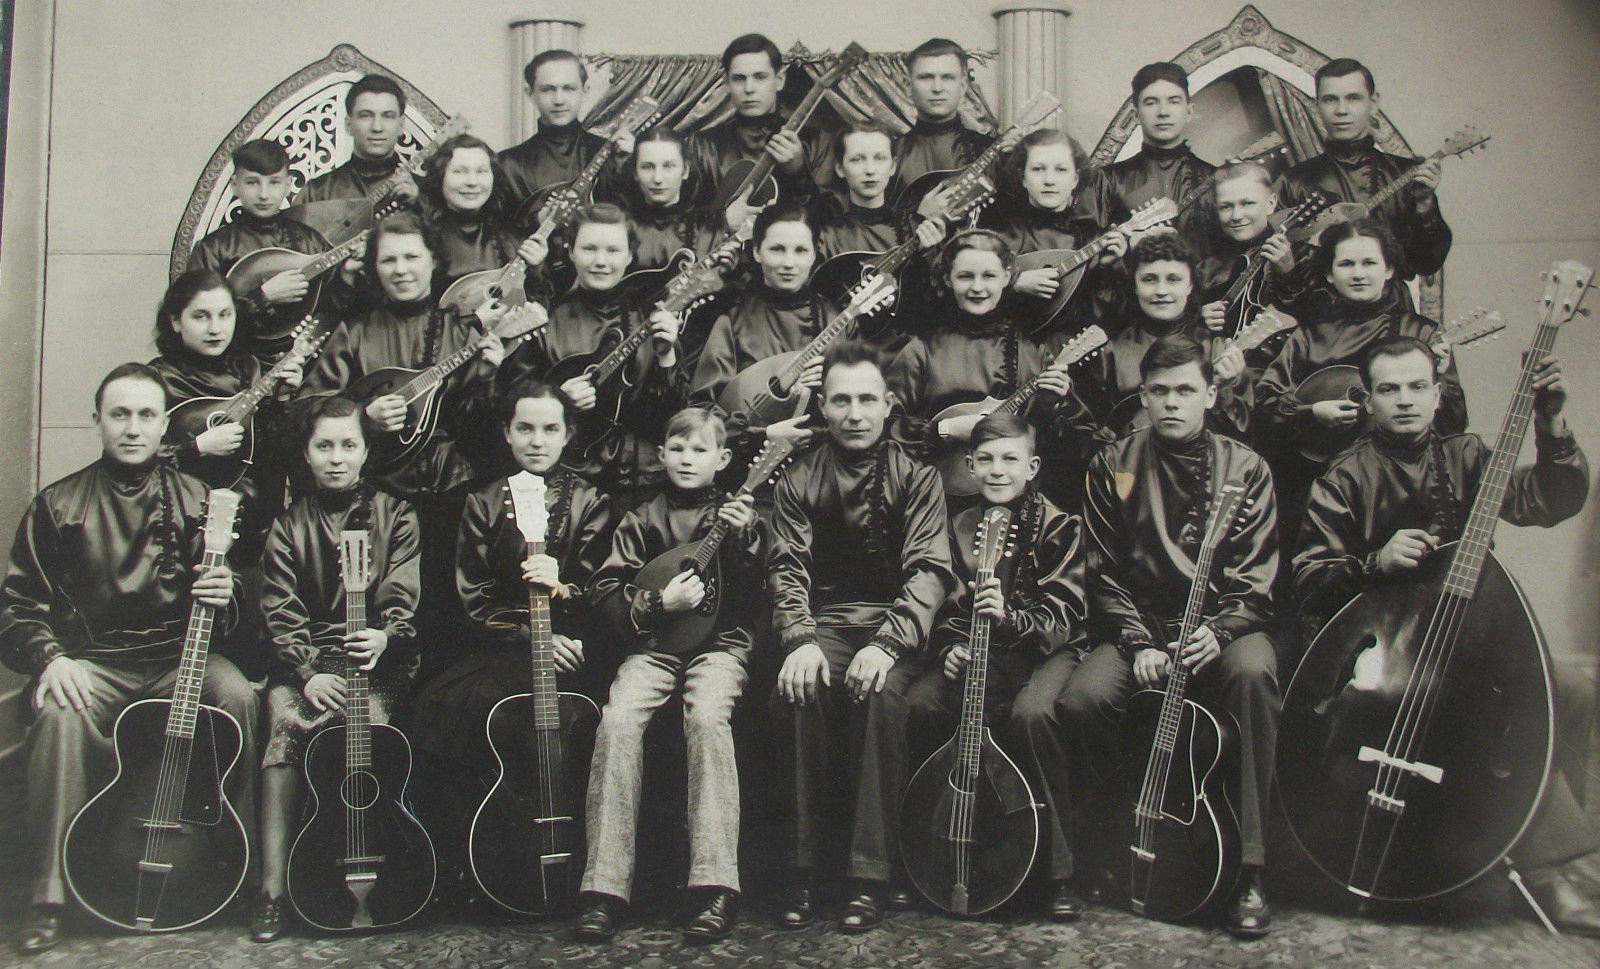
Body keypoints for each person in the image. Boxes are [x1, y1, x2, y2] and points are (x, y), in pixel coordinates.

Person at [0, 363, 253, 955]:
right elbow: (18, 606)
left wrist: (228, 594)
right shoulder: (58, 503)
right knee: (60, 715)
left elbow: (233, 609)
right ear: (98, 422)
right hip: (97, 663)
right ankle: (49, 896)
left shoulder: (200, 498)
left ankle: (230, 865)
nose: (133, 428)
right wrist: (50, 660)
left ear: (164, 423)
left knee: (237, 694)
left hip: (179, 659)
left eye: (146, 415)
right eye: (120, 414)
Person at [1063, 334, 1281, 937]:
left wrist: (1218, 631)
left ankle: (1251, 871)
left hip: (1224, 625)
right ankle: (1120, 841)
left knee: (1255, 674)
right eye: (1159, 391)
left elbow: (1258, 582)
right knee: (1083, 699)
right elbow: (1101, 572)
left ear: (1212, 393)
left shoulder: (1247, 468)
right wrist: (1139, 643)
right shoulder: (1115, 464)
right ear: (1143, 395)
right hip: (1143, 626)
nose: (1172, 403)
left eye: (1187, 390)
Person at [767, 341, 956, 934]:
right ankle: (802, 871)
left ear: (889, 404)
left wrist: (887, 644)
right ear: (822, 406)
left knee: (880, 698)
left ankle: (868, 877)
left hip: (894, 629)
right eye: (841, 400)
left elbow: (929, 569)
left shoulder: (919, 477)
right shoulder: (797, 476)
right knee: (795, 692)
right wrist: (799, 640)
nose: (854, 413)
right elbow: (787, 565)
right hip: (823, 624)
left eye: (866, 399)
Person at [407, 379, 614, 895]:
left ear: (568, 435)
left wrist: (562, 590)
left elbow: (601, 587)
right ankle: (476, 861)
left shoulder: (591, 500)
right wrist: (527, 634)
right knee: (450, 704)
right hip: (502, 645)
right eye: (525, 428)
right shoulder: (481, 501)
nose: (537, 441)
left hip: (574, 647)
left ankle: (573, 862)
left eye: (550, 429)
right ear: (506, 433)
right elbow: (472, 600)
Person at [577, 408, 768, 944]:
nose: (687, 459)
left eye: (700, 450)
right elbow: (606, 591)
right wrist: (660, 602)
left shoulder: (735, 518)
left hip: (720, 648)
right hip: (655, 646)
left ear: (724, 459)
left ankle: (713, 887)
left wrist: (745, 536)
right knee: (616, 720)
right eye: (677, 448)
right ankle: (603, 889)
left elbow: (755, 594)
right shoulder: (640, 517)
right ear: (661, 455)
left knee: (707, 717)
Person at [903, 414, 1090, 920]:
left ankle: (1060, 873)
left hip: (1046, 650)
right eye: (985, 459)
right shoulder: (958, 524)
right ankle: (925, 857)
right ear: (968, 466)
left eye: (1010, 459)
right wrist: (949, 648)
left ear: (1032, 467)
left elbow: (1064, 615)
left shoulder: (1060, 524)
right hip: (981, 650)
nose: (997, 470)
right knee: (919, 703)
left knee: (1032, 715)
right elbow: (944, 603)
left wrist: (1010, 620)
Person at [249, 395, 421, 942]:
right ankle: (273, 889)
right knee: (285, 724)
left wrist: (386, 633)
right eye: (324, 445)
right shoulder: (287, 525)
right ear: (306, 452)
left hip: (374, 656)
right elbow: (280, 609)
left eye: (349, 444)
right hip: (307, 664)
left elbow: (402, 590)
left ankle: (372, 866)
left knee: (365, 726)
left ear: (367, 450)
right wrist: (305, 674)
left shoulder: (398, 515)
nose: (337, 457)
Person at [1253, 220, 1466, 552]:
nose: (1358, 273)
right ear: (1328, 274)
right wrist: (1311, 412)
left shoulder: (1421, 333)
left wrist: (1442, 371)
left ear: (1390, 269)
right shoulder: (1310, 334)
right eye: (1346, 264)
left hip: (1399, 486)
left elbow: (1454, 422)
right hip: (1318, 484)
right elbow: (1263, 403)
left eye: (1369, 263)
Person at [497, 203, 686, 510]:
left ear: (629, 256)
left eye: (613, 251)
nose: (601, 261)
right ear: (570, 251)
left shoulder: (650, 318)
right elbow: (512, 400)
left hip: (644, 485)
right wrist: (559, 400)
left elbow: (674, 418)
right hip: (570, 488)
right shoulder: (545, 320)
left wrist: (667, 358)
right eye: (589, 249)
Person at [885, 229, 1079, 487]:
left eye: (989, 276)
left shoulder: (1032, 352)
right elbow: (887, 429)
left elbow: (1067, 448)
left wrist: (1052, 406)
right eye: (965, 276)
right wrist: (945, 431)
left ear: (1006, 277)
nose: (977, 287)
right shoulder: (921, 350)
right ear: (948, 279)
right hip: (939, 495)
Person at [148, 270, 303, 563]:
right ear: (175, 321)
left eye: (225, 315)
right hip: (179, 524)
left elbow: (274, 452)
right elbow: (134, 459)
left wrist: (283, 399)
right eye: (201, 316)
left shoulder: (250, 370)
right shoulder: (156, 379)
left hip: (251, 520)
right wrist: (196, 448)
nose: (215, 328)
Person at [1277, 58, 1451, 309]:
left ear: (1374, 103)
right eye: (1330, 100)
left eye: (1353, 98)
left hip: (1393, 318)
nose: (1341, 110)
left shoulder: (1405, 175)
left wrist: (1425, 205)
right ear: (1317, 106)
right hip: (1321, 324)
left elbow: (1426, 264)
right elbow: (1279, 275)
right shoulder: (1293, 181)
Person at [691, 203, 837, 463]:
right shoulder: (733, 322)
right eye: (777, 249)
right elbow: (702, 412)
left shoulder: (837, 320)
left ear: (815, 254)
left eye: (801, 250)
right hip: (749, 467)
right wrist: (762, 433)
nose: (789, 263)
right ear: (757, 252)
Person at [1073, 234, 1251, 447]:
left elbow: (1239, 439)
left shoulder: (1216, 348)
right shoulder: (1110, 350)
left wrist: (1225, 390)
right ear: (1135, 286)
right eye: (1149, 279)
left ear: (1190, 286)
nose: (1161, 291)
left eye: (1173, 279)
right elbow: (1090, 433)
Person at [188, 139, 335, 360]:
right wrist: (264, 297)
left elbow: (334, 307)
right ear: (235, 185)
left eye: (274, 182)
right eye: (252, 183)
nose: (264, 194)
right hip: (236, 364)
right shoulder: (214, 248)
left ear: (288, 184)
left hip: (305, 362)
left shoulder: (310, 242)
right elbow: (198, 316)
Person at [979, 128, 1124, 333]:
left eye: (1061, 170)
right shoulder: (997, 232)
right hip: (1006, 351)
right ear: (1022, 177)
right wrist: (1013, 283)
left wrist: (1108, 268)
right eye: (1038, 169)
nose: (1049, 180)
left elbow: (1107, 319)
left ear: (1075, 179)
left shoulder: (1091, 236)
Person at [1073, 62, 1215, 245]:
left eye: (1173, 101)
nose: (1163, 112)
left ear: (1189, 112)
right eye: (1151, 102)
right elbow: (1084, 252)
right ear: (1136, 115)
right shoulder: (1106, 181)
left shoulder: (1213, 179)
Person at [688, 33, 827, 209]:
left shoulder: (815, 141)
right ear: (727, 83)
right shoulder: (703, 145)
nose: (749, 89)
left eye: (760, 77)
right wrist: (724, 222)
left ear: (779, 81)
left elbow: (830, 221)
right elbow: (687, 222)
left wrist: (799, 173)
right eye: (739, 79)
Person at [498, 49, 617, 231]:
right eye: (548, 89)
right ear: (530, 93)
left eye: (568, 88)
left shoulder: (610, 154)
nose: (559, 100)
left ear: (585, 91)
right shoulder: (507, 165)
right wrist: (535, 222)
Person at [417, 133, 540, 290]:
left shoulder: (511, 238)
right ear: (440, 177)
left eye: (481, 171)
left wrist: (536, 271)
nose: (472, 182)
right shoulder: (418, 236)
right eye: (459, 172)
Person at [894, 38, 995, 204]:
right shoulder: (890, 155)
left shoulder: (990, 152)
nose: (937, 88)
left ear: (963, 86)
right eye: (926, 77)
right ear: (908, 86)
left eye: (947, 77)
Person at [295, 74, 416, 208]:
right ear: (348, 125)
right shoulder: (316, 192)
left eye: (387, 116)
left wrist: (420, 206)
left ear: (401, 125)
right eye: (365, 116)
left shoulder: (423, 193)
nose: (377, 127)